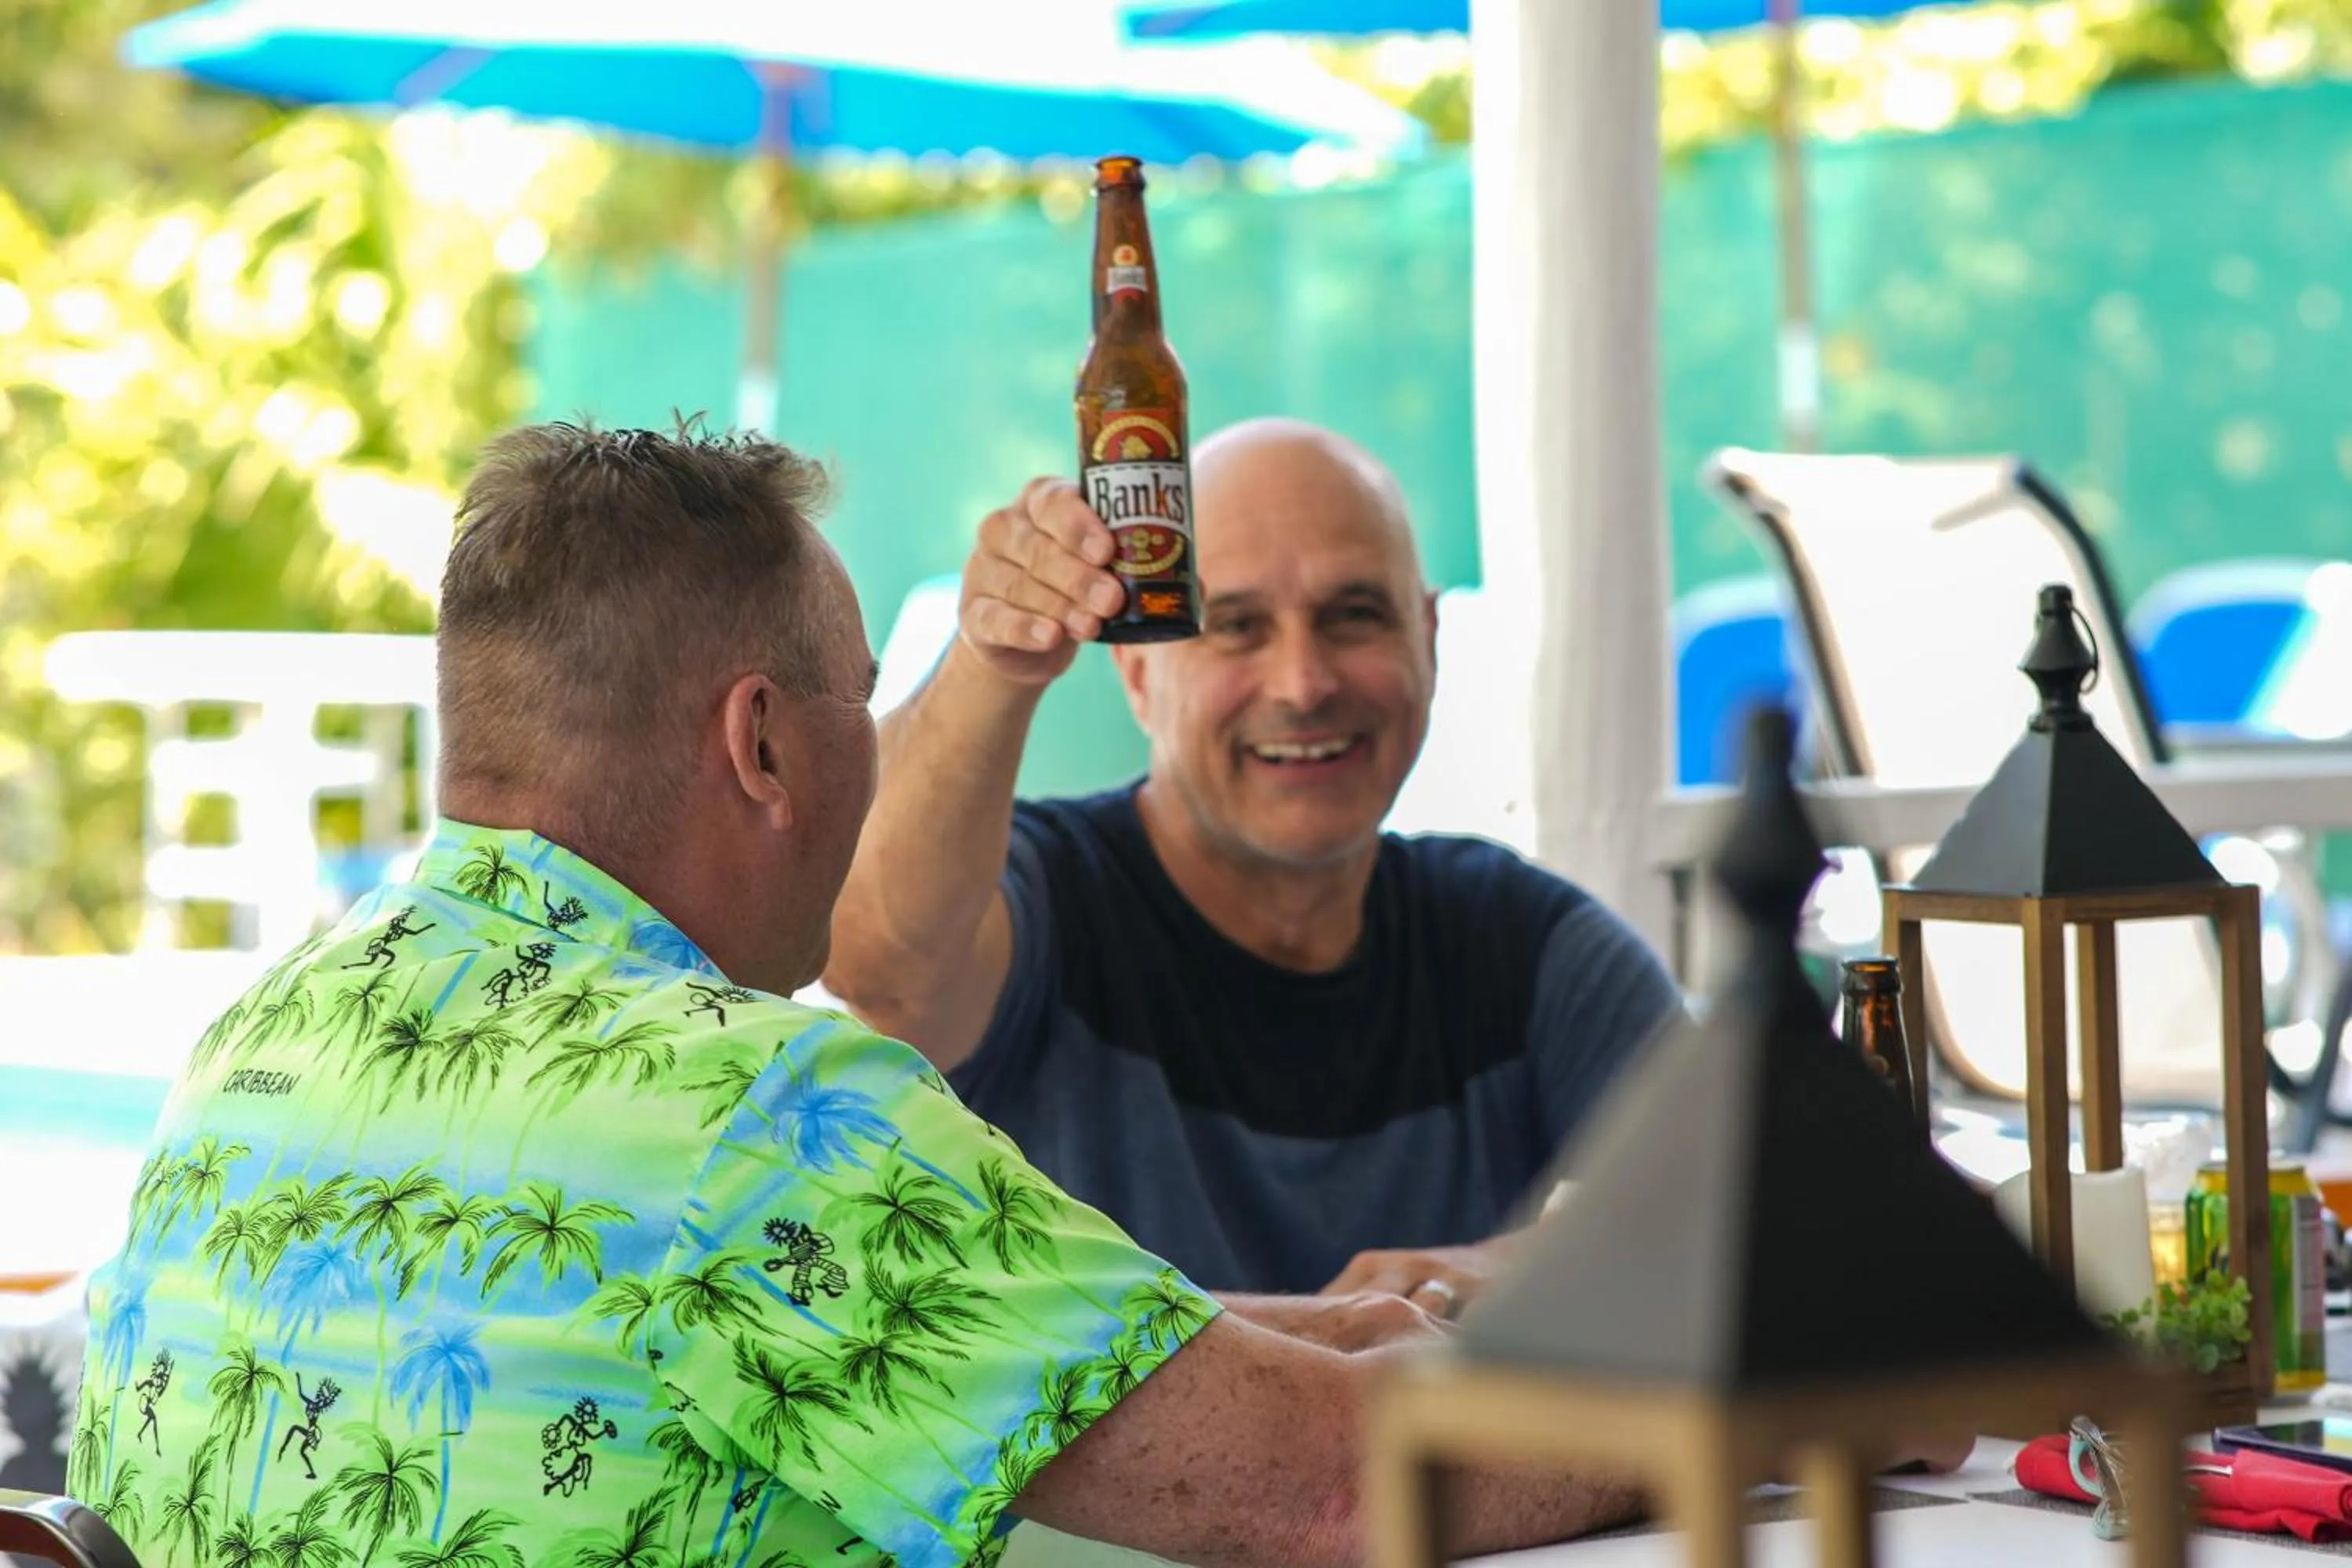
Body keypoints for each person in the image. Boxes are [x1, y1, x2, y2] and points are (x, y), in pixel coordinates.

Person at [71, 422, 1653, 1568]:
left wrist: (1318, 1328)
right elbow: (1340, 1495)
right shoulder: (755, 1115)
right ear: (763, 741)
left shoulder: (258, 1043)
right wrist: (1759, 1408)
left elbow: (797, 1319)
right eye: (863, 704)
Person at [824, 419, 1685, 1316]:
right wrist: (993, 659)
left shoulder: (1522, 941)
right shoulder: (1049, 903)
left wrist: (1505, 1270)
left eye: (1354, 615)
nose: (1303, 683)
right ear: (1136, 672)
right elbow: (875, 955)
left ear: (1428, 639)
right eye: (1235, 626)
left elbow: (1745, 1206)